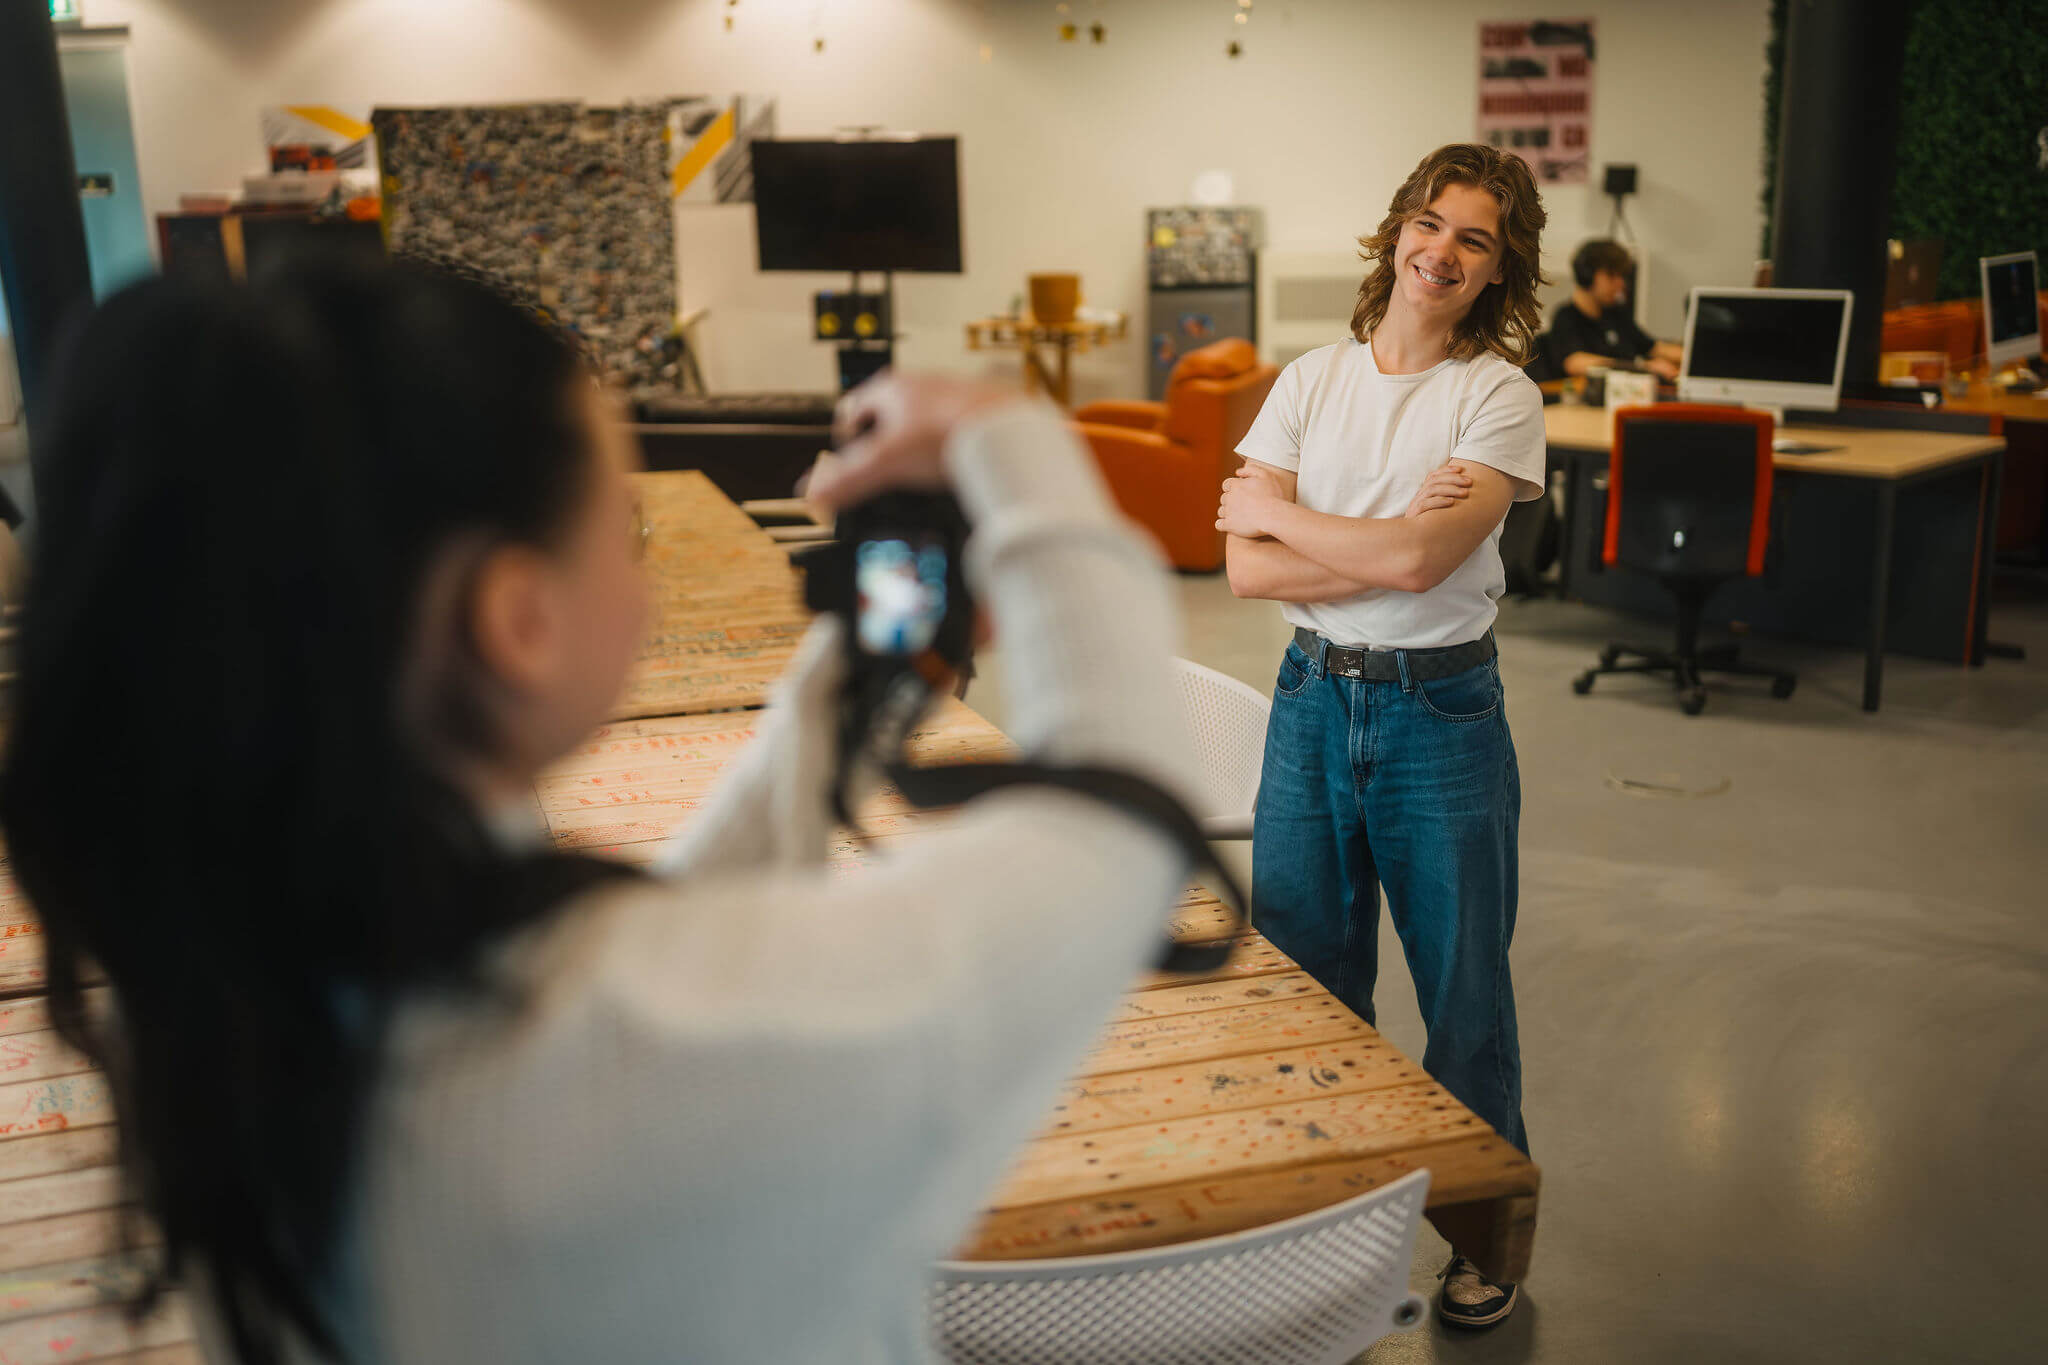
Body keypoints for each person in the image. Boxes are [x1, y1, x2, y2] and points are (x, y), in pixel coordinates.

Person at [0, 259, 1200, 1363]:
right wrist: (1018, 447)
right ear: (514, 619)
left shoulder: (240, 983)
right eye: (617, 515)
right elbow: (1120, 828)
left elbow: (647, 952)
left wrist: (862, 671)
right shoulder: (652, 1042)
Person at [1216, 142, 1546, 1329]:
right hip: (1309, 702)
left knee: (1462, 991)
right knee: (1304, 979)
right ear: (1394, 231)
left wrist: (1285, 516)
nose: (1441, 251)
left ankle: (1479, 1240)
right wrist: (1353, 546)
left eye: (1473, 239)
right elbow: (1241, 574)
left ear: (1497, 270)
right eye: (1428, 222)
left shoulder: (1495, 397)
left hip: (1438, 715)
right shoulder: (1308, 379)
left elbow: (1419, 562)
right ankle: (1325, 1230)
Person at [1543, 237, 1684, 380]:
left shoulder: (1617, 314)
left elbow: (1654, 348)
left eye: (1621, 276)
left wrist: (1694, 356)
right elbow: (1575, 363)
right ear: (1587, 275)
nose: (1620, 284)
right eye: (1611, 276)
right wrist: (1642, 367)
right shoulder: (1565, 317)